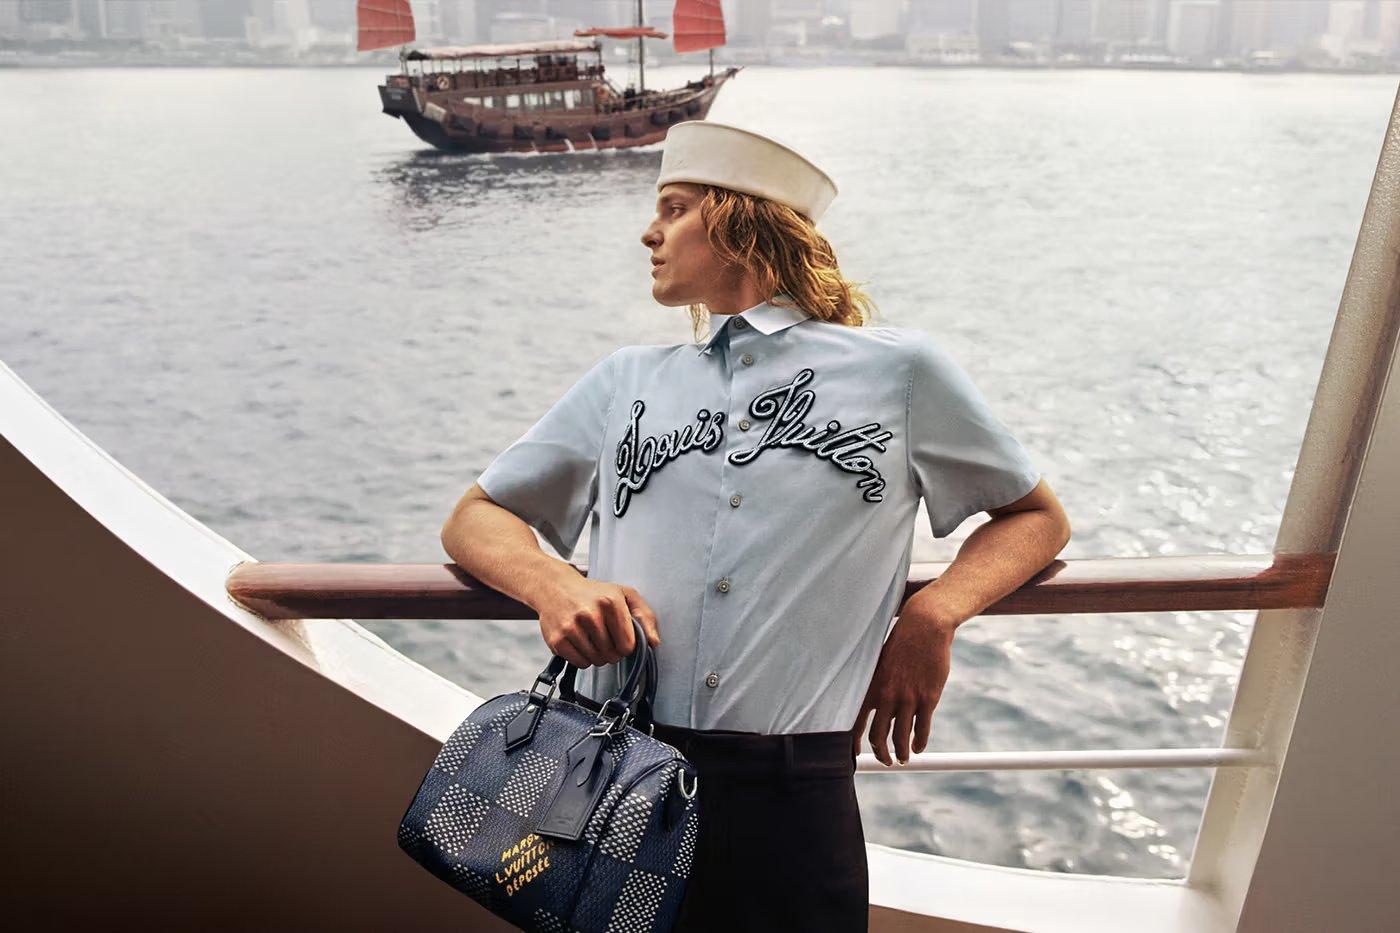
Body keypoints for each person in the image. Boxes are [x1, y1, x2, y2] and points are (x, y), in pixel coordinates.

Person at [440, 119, 1072, 931]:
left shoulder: (901, 374)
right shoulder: (626, 381)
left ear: (741, 223)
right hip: (610, 776)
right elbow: (476, 516)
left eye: (674, 208)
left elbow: (1034, 517)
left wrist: (934, 611)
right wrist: (554, 585)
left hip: (794, 800)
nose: (649, 232)